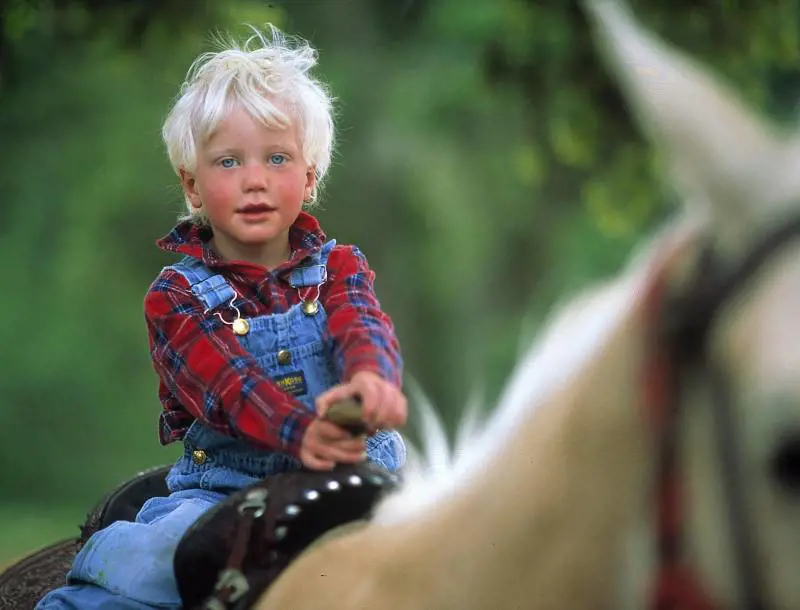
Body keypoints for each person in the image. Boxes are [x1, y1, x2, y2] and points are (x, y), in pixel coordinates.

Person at [37, 23, 407, 609]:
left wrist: (371, 380)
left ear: (309, 177)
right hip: (226, 491)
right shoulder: (176, 296)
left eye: (277, 158)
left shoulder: (339, 267)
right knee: (140, 583)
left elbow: (361, 325)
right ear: (192, 186)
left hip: (354, 471)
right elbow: (230, 389)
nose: (254, 180)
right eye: (228, 162)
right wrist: (300, 429)